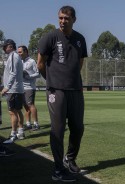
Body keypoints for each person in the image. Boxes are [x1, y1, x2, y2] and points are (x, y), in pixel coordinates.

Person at [37, 6, 87, 182]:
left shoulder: (80, 39)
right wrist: (51, 81)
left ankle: (70, 159)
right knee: (57, 130)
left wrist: (72, 81)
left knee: (78, 128)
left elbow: (79, 63)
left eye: (66, 18)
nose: (62, 21)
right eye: (60, 18)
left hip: (75, 90)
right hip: (56, 90)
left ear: (74, 19)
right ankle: (58, 169)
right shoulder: (50, 37)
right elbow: (40, 64)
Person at [1, 39, 25, 144]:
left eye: (5, 46)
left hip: (13, 89)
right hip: (17, 89)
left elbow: (12, 73)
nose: (4, 49)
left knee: (12, 112)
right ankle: (20, 131)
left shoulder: (12, 56)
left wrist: (7, 87)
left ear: (10, 46)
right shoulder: (16, 56)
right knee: (18, 111)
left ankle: (13, 135)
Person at [17, 45, 40, 131]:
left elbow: (38, 74)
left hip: (29, 87)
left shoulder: (32, 61)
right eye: (18, 52)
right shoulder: (19, 62)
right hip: (21, 87)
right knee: (26, 106)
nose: (18, 53)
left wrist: (28, 76)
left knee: (30, 105)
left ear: (26, 52)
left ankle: (36, 124)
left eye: (20, 52)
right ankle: (28, 124)